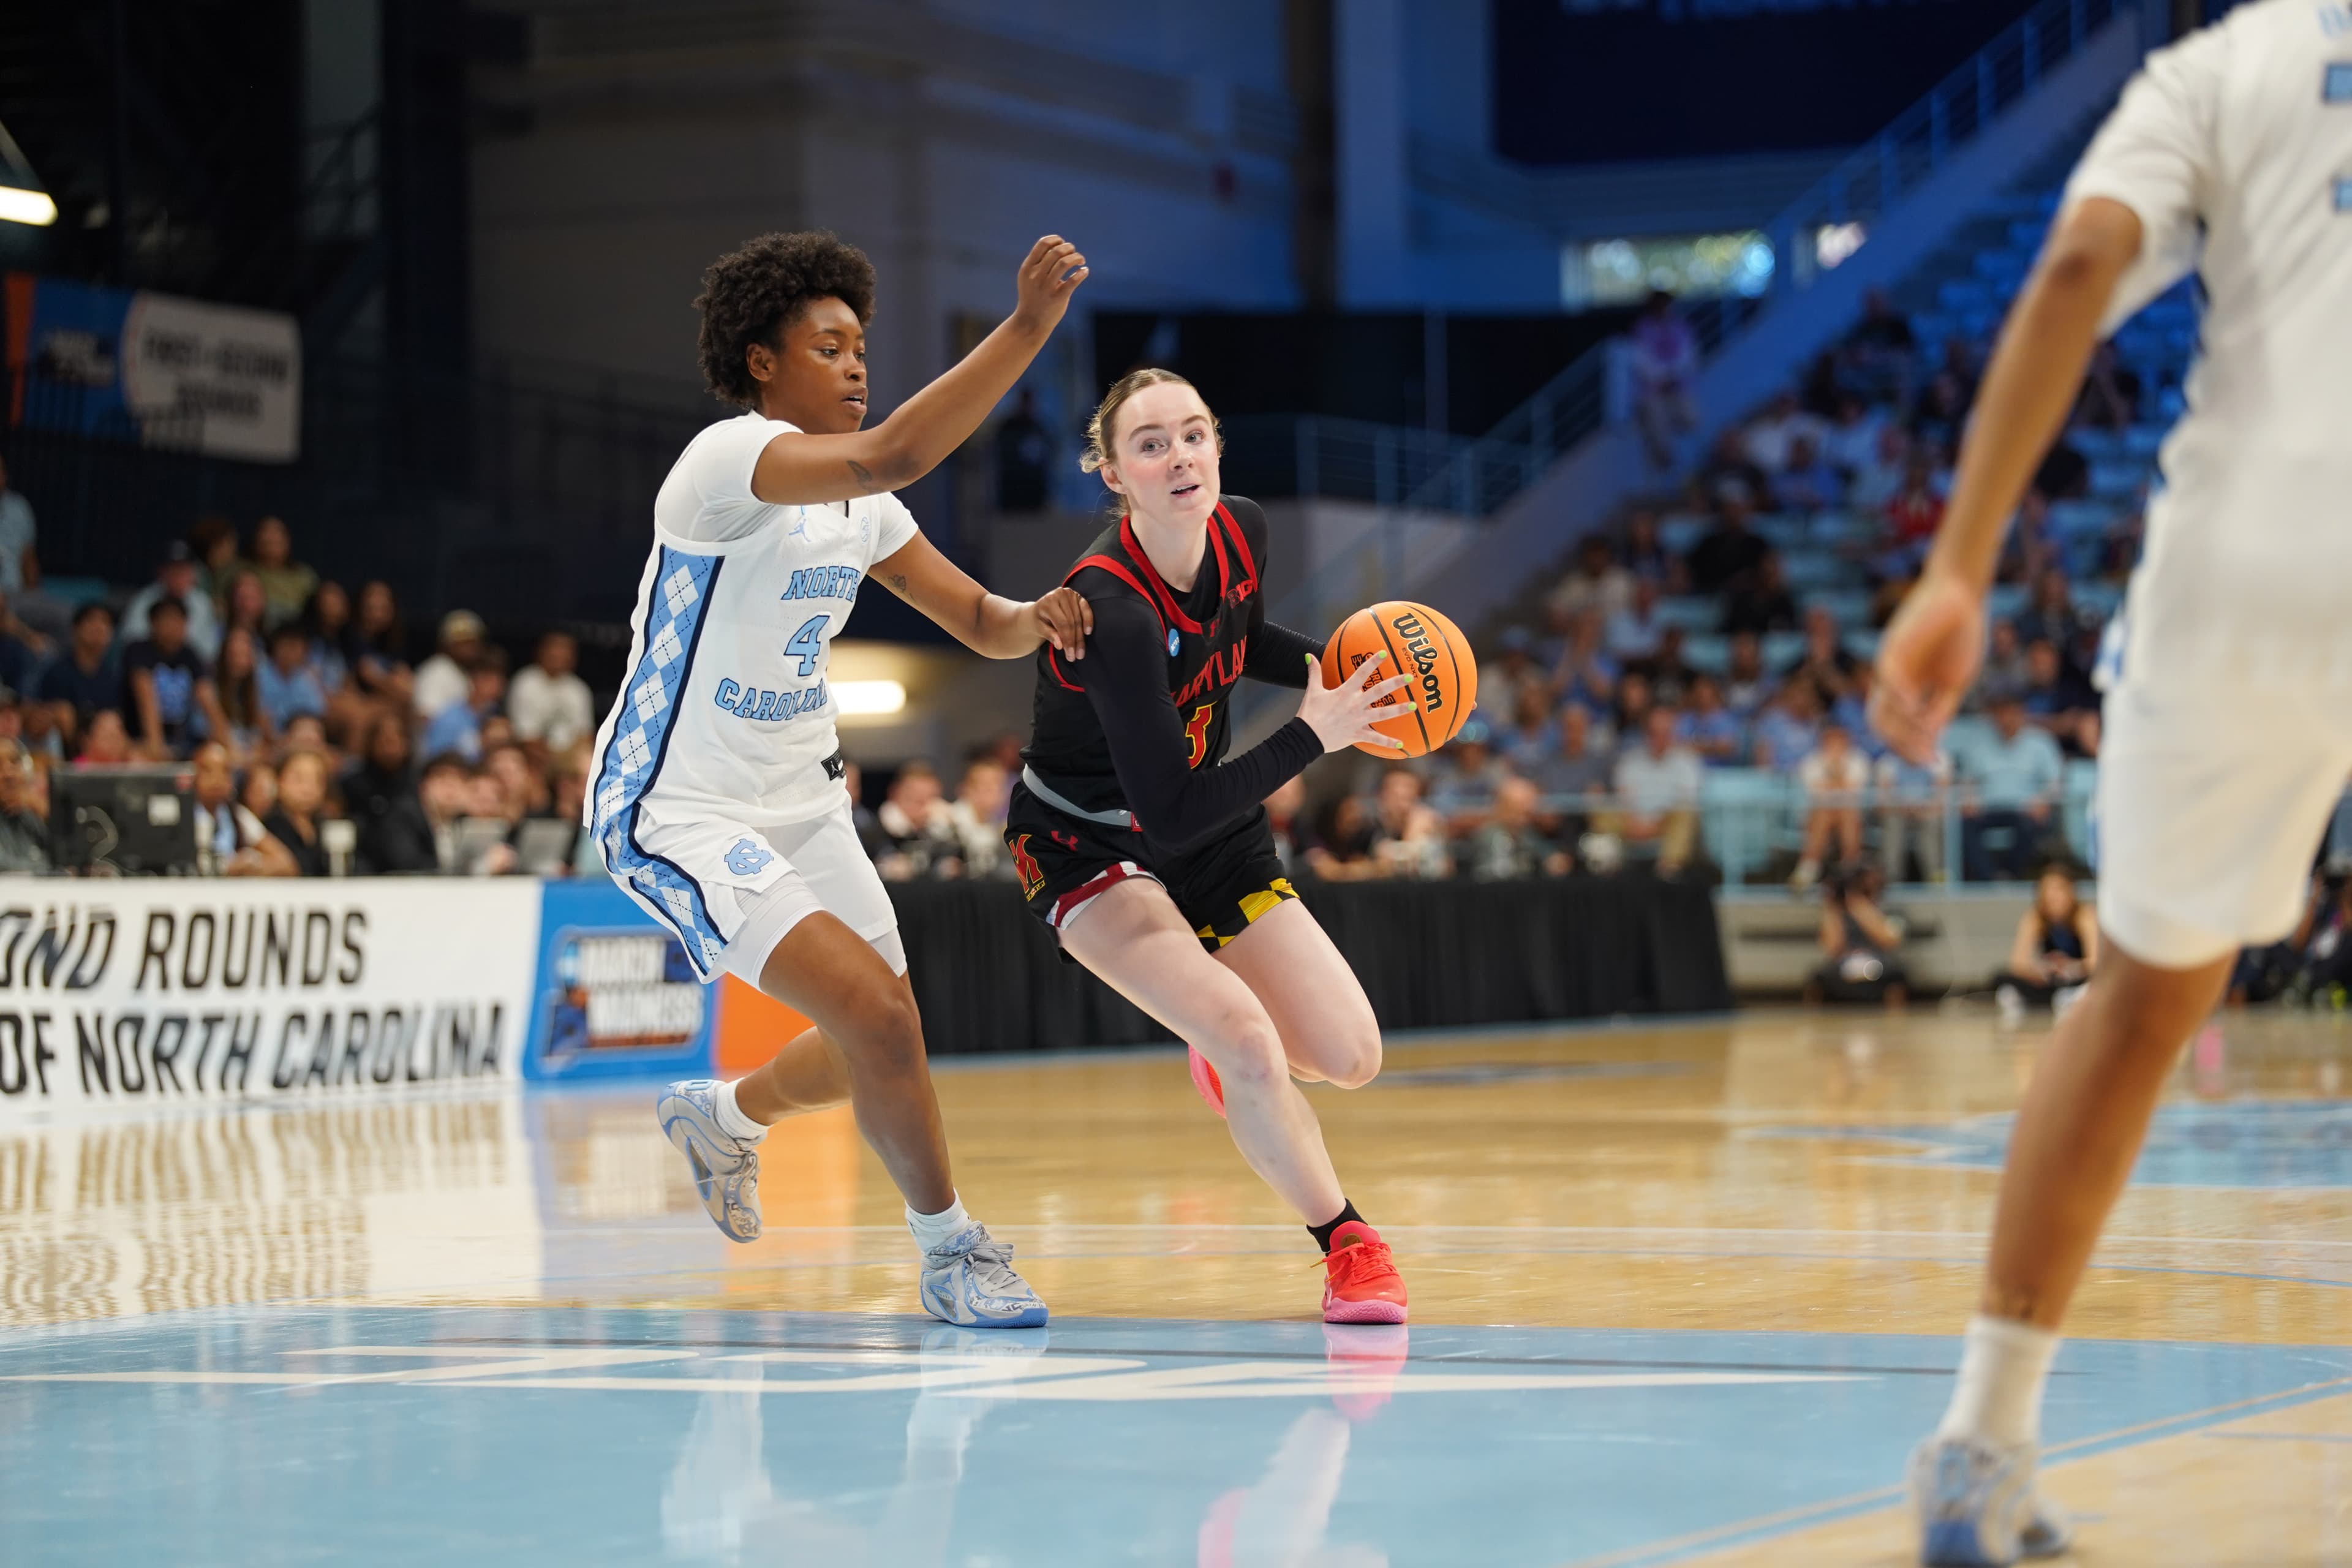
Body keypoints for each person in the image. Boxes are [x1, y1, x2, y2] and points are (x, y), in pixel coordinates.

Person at [1870, 9, 2352, 1556]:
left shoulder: (2224, 65)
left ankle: (1981, 1439)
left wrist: (1957, 567)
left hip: (2247, 572)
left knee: (2143, 997)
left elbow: (2074, 271)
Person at [605, 228, 1092, 1329]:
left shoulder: (862, 507)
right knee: (875, 1014)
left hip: (804, 799)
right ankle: (951, 1254)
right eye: (829, 347)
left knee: (885, 1036)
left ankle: (727, 1118)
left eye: (862, 344)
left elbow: (975, 618)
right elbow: (896, 453)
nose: (858, 364)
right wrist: (1025, 329)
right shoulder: (725, 464)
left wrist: (1040, 620)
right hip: (679, 806)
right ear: (764, 364)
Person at [1002, 366, 1415, 1323]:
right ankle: (1350, 1247)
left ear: (1218, 446)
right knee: (1248, 1039)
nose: (1180, 456)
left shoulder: (1244, 530)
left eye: (1194, 434)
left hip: (1205, 826)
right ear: (1114, 475)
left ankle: (1224, 1059)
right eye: (1151, 444)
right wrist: (1317, 732)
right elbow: (1170, 810)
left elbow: (1246, 635)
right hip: (1088, 844)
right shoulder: (1111, 608)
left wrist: (1350, 670)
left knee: (1351, 1057)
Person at [1959, 694, 2064, 883]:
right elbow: (1968, 781)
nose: (2005, 718)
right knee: (1963, 826)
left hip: (2024, 810)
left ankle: (2010, 876)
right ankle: (1990, 878)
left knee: (2030, 826)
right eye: (2000, 713)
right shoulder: (1979, 744)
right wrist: (1969, 798)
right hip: (1987, 809)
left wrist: (2043, 801)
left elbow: (2055, 782)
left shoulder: (2040, 742)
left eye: (2010, 712)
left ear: (2022, 714)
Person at [123, 596, 227, 759]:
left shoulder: (190, 654)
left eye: (179, 620)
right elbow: (146, 698)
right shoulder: (138, 651)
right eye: (167, 620)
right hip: (138, 737)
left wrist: (227, 742)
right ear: (153, 623)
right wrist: (155, 745)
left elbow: (208, 698)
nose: (173, 627)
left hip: (180, 741)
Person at [1603, 706, 1702, 876]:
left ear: (1673, 734)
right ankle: (1610, 868)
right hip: (1633, 823)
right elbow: (1623, 799)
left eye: (1665, 733)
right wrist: (1635, 824)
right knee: (1601, 809)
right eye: (1654, 733)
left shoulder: (1687, 762)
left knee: (1685, 814)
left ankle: (1669, 869)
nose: (1660, 738)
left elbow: (1685, 801)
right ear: (1646, 734)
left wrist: (1654, 826)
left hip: (1668, 823)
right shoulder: (1630, 761)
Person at [1995, 866, 2099, 1020]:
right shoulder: (2036, 917)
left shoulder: (2084, 916)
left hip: (2077, 977)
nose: (2053, 897)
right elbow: (2017, 963)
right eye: (2048, 891)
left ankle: (2069, 998)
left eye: (2059, 890)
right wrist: (2042, 969)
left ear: (2071, 892)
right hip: (2050, 979)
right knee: (2002, 978)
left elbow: (2095, 963)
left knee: (2097, 983)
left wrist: (2071, 966)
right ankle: (2052, 999)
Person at [1806, 867, 1909, 1008]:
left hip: (1878, 960)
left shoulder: (1889, 909)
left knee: (1897, 974)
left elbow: (1887, 940)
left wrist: (1859, 905)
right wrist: (1831, 908)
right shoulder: (1837, 911)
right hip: (1845, 961)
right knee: (1818, 977)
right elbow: (1833, 947)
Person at [190, 740, 294, 876]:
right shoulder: (181, 816)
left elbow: (286, 863)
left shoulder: (237, 815)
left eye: (225, 771)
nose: (217, 778)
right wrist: (224, 869)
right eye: (207, 770)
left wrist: (254, 865)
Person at [1790, 720, 1868, 891]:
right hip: (1818, 813)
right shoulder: (1811, 761)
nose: (1836, 745)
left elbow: (1853, 789)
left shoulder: (1858, 759)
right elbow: (1817, 791)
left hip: (1849, 813)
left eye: (1839, 740)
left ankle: (1849, 869)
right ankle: (1809, 870)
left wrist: (1835, 771)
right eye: (1831, 741)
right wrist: (1837, 776)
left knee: (1847, 815)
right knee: (1823, 816)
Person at [1625, 290, 1699, 468]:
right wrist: (1660, 378)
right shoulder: (1641, 329)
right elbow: (1640, 359)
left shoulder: (1680, 327)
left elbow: (1687, 355)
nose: (1663, 309)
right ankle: (1664, 456)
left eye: (1666, 305)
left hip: (1677, 385)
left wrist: (1673, 376)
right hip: (1653, 388)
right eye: (1659, 305)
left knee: (1691, 420)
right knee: (1656, 417)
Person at [35, 603, 123, 747]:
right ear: (76, 629)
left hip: (104, 745)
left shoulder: (114, 677)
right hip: (67, 749)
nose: (98, 628)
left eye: (105, 623)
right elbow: (45, 714)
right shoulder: (57, 673)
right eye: (91, 621)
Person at [120, 543, 222, 660]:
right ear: (162, 572)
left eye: (183, 569)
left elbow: (209, 650)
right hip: (151, 665)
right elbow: (131, 641)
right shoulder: (144, 600)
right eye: (173, 569)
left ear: (193, 573)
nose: (178, 576)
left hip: (190, 669)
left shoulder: (202, 603)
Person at [1462, 775, 1570, 880]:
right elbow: (1498, 872)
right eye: (1520, 811)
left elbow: (1547, 855)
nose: (1525, 818)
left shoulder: (1526, 833)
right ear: (1504, 808)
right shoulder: (1489, 834)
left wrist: (1553, 860)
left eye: (1528, 812)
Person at [507, 631, 594, 757]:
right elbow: (524, 737)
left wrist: (568, 759)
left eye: (565, 653)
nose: (559, 657)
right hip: (532, 755)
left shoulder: (578, 688)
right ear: (541, 653)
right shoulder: (526, 682)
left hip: (569, 758)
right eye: (555, 652)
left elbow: (585, 736)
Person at [421, 649, 507, 764]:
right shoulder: (449, 718)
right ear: (474, 679)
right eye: (488, 678)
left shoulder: (497, 717)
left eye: (499, 680)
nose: (495, 685)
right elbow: (436, 762)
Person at [263, 747, 337, 876]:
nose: (308, 788)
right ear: (279, 782)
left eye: (317, 780)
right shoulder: (267, 828)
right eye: (298, 779)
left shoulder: (326, 826)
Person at [243, 516, 318, 628]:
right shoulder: (243, 571)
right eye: (267, 538)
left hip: (296, 634)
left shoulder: (304, 576)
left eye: (276, 537)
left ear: (287, 542)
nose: (271, 538)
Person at [256, 623, 330, 736]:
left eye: (299, 648)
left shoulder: (305, 678)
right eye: (290, 646)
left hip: (296, 738)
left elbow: (316, 715)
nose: (293, 653)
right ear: (276, 646)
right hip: (261, 738)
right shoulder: (259, 674)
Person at [213, 627, 272, 759]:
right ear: (224, 655)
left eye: (244, 654)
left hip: (249, 758)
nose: (239, 661)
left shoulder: (259, 691)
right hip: (223, 755)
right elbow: (210, 736)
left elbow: (265, 737)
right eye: (234, 654)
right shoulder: (211, 690)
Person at [992, 385, 1052, 511]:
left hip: (1034, 490)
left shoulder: (1038, 428)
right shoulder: (1008, 427)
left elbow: (1046, 457)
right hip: (1012, 487)